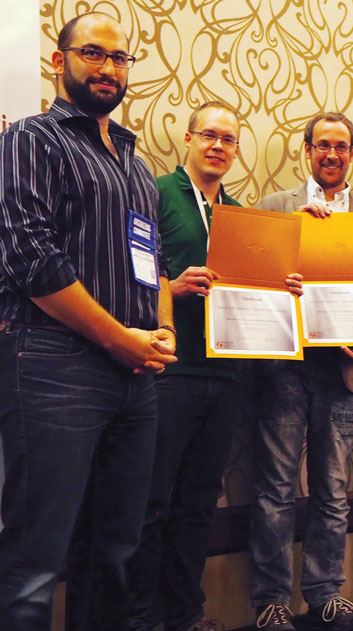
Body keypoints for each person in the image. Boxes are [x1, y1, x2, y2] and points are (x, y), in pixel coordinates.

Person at [0, 12, 177, 631]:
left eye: (119, 58)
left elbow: (151, 263)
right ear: (59, 61)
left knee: (117, 554)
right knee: (33, 565)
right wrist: (119, 338)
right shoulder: (30, 139)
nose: (107, 68)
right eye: (92, 54)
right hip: (52, 365)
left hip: (134, 376)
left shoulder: (134, 162)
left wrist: (162, 331)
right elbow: (30, 258)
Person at [125, 101, 302, 631]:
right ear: (188, 138)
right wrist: (172, 288)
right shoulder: (154, 192)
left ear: (237, 150)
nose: (218, 146)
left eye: (229, 139)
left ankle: (186, 612)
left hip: (227, 375)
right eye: (210, 135)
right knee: (152, 499)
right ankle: (142, 617)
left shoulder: (240, 213)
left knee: (200, 501)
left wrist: (282, 288)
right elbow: (131, 268)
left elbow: (258, 291)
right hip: (169, 371)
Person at [249, 112, 353, 631]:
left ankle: (324, 592)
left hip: (343, 373)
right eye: (322, 146)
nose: (331, 154)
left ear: (351, 154)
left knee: (333, 490)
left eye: (341, 147)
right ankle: (270, 601)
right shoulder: (274, 209)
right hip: (286, 371)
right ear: (306, 150)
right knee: (275, 489)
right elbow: (254, 289)